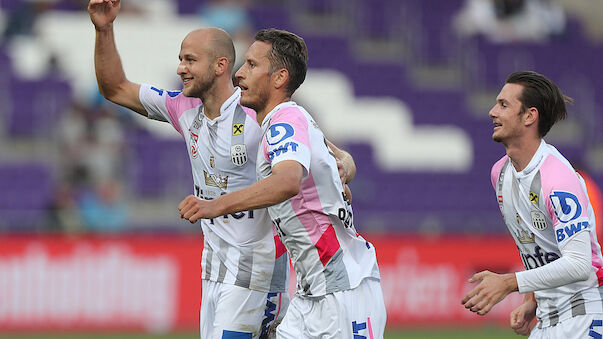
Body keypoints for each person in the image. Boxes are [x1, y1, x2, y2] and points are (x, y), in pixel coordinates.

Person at [88, 1, 356, 337]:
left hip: (256, 270)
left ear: (220, 65)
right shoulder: (181, 106)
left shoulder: (258, 113)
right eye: (181, 59)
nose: (181, 68)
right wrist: (104, 29)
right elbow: (114, 88)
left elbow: (332, 156)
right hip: (213, 269)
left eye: (190, 60)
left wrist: (343, 164)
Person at [178, 28, 386, 338]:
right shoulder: (289, 121)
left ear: (278, 78)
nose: (239, 74)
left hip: (343, 291)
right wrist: (344, 168)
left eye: (251, 65)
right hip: (309, 293)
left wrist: (214, 205)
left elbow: (287, 182)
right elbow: (337, 169)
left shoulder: (284, 120)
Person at [461, 71, 603, 338]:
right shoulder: (500, 174)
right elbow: (538, 245)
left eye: (504, 105)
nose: (493, 112)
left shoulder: (557, 178)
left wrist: (509, 282)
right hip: (547, 320)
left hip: (585, 317)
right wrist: (533, 299)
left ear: (529, 116)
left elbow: (579, 264)